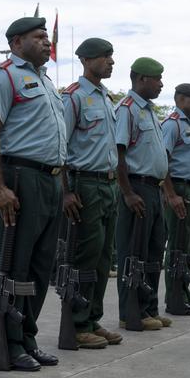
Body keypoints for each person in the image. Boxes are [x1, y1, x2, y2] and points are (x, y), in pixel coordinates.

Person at [0, 16, 64, 371]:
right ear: (16, 43)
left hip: (50, 181)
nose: (47, 42)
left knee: (41, 267)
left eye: (47, 36)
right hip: (21, 178)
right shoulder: (5, 77)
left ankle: (27, 336)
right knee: (16, 266)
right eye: (39, 36)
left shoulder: (46, 82)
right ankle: (9, 343)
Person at [61, 37, 121, 349]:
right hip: (85, 183)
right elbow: (60, 145)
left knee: (102, 257)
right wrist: (65, 192)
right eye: (105, 56)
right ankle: (77, 323)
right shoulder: (74, 97)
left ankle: (93, 318)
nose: (111, 62)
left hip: (108, 185)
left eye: (112, 56)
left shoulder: (106, 98)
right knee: (85, 255)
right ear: (86, 60)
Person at [114, 57, 170, 331]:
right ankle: (130, 312)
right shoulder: (127, 110)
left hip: (154, 189)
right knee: (132, 253)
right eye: (157, 79)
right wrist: (126, 192)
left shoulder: (149, 111)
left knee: (153, 251)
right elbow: (119, 155)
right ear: (141, 79)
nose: (161, 84)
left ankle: (149, 308)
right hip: (136, 187)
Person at [161, 83, 190, 314]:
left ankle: (185, 295)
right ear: (181, 99)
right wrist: (171, 194)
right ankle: (175, 299)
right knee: (177, 247)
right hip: (180, 190)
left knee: (188, 247)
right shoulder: (172, 125)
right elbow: (163, 161)